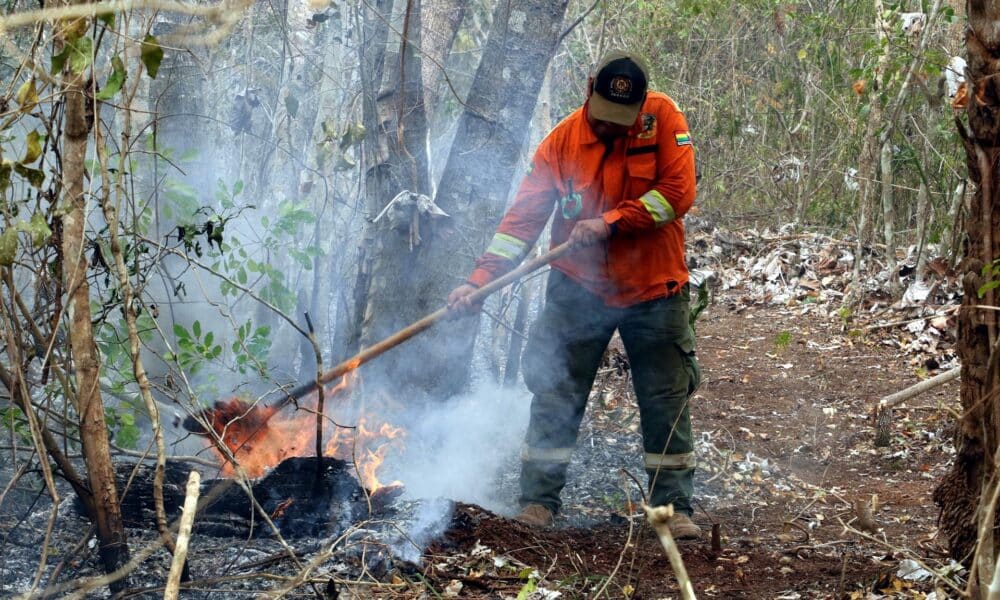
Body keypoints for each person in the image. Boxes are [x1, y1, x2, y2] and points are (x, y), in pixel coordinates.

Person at [447, 50, 701, 539]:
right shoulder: (560, 144)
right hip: (579, 285)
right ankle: (538, 502)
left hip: (654, 287)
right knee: (554, 388)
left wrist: (609, 222)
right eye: (605, 117)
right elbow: (518, 224)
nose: (612, 128)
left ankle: (673, 509)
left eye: (622, 121)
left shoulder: (664, 119)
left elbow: (678, 192)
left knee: (666, 397)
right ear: (589, 90)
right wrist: (480, 280)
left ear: (642, 104)